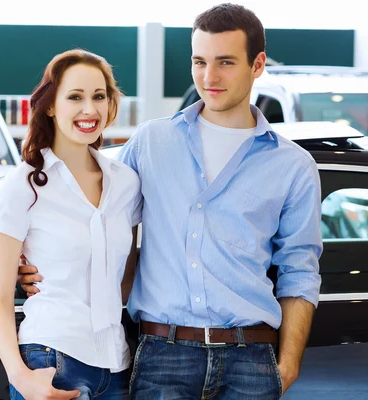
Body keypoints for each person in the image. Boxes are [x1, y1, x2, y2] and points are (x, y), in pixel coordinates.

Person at [18, 3, 323, 399]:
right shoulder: (150, 142)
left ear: (258, 64)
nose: (208, 77)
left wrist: (287, 366)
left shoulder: (294, 166)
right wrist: (31, 260)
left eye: (225, 62)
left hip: (251, 358)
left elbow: (299, 270)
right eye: (200, 61)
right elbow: (88, 207)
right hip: (163, 355)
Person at [0, 48, 142, 400]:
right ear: (51, 105)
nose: (90, 109)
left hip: (117, 365)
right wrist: (22, 379)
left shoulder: (126, 183)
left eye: (99, 96)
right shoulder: (24, 184)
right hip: (52, 359)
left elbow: (125, 277)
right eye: (75, 97)